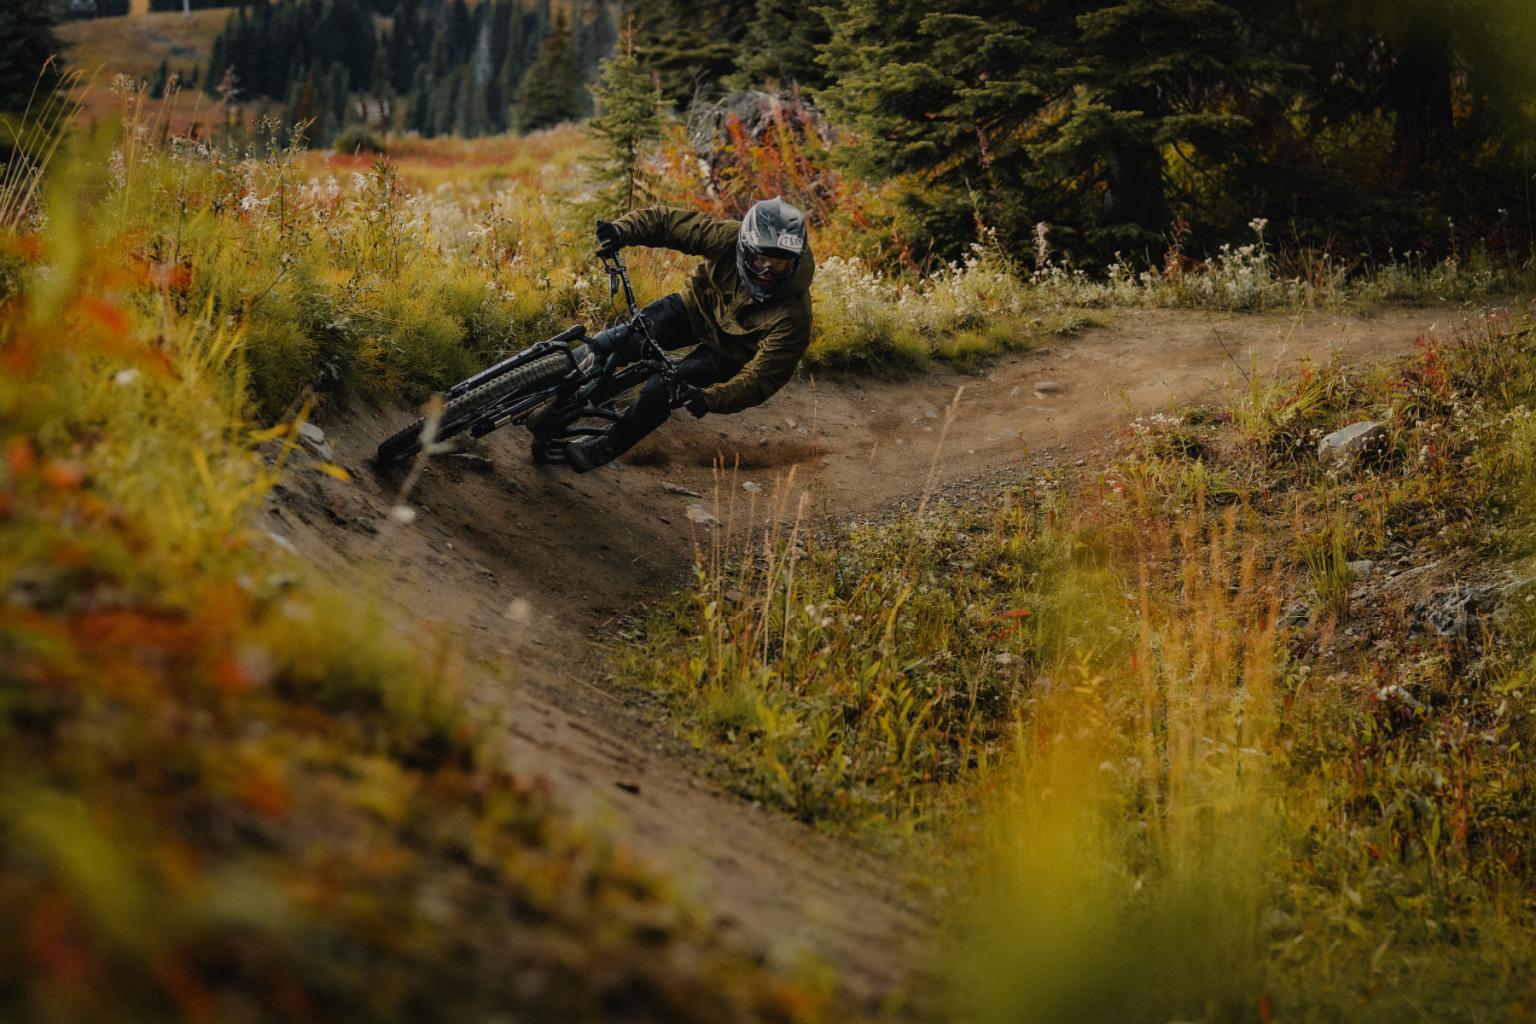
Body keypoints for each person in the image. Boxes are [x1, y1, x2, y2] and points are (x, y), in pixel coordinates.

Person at [563, 197, 814, 472]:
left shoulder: (795, 315)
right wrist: (623, 230)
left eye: (779, 265)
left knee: (661, 390)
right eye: (761, 259)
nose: (767, 271)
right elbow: (667, 223)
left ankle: (606, 446)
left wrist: (709, 398)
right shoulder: (726, 237)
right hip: (695, 308)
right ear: (745, 248)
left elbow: (763, 379)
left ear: (794, 260)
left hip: (729, 351)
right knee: (622, 339)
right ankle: (558, 370)